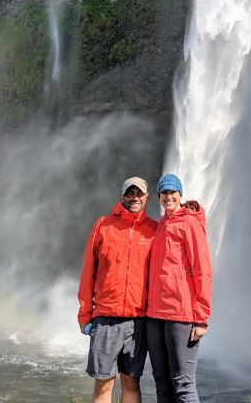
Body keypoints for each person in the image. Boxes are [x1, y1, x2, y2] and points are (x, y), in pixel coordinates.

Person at [78, 176, 158, 403]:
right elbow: (87, 273)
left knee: (131, 383)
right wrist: (85, 314)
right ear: (121, 197)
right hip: (105, 319)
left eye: (139, 194)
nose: (134, 198)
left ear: (146, 198)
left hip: (138, 321)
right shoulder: (103, 225)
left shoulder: (154, 230)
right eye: (130, 194)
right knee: (103, 384)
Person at [146, 173, 212, 403]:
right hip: (154, 315)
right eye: (164, 192)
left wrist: (201, 318)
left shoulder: (190, 224)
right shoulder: (162, 224)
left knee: (183, 384)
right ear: (158, 197)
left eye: (173, 192)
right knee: (162, 384)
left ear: (180, 194)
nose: (168, 197)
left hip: (180, 315)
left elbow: (203, 271)